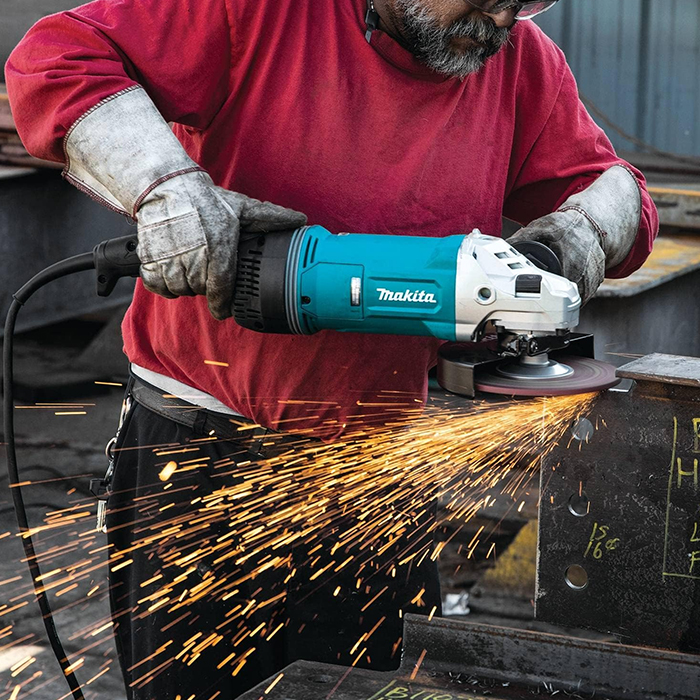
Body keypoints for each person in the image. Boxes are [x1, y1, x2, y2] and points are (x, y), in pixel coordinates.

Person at [6, 0, 658, 697]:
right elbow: (55, 60)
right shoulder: (260, 10)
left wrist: (587, 230)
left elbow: (621, 194)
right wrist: (165, 187)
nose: (500, 21)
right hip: (200, 459)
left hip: (380, 475)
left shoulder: (519, 62)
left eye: (518, 3)